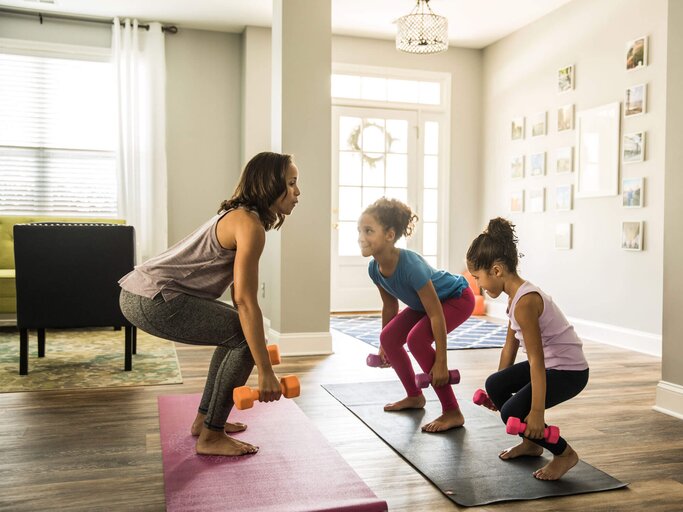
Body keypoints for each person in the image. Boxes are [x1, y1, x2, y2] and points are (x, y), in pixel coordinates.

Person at [118, 152, 300, 457]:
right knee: (242, 335)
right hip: (153, 298)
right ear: (271, 184)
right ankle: (212, 435)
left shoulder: (242, 216)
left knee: (234, 331)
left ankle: (206, 420)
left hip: (140, 293)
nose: (297, 192)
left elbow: (236, 298)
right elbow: (244, 300)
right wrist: (265, 371)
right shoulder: (249, 225)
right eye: (292, 184)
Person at [466, 217, 589, 480]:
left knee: (512, 412)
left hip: (569, 371)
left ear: (497, 271)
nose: (478, 286)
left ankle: (564, 453)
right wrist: (497, 388)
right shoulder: (514, 298)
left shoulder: (525, 302)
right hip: (551, 365)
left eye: (478, 278)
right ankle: (532, 443)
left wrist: (535, 412)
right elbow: (508, 349)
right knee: (495, 384)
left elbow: (536, 360)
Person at [358, 197, 474, 432]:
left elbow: (436, 314)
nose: (361, 237)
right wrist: (385, 348)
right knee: (389, 338)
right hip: (426, 305)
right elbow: (390, 306)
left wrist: (441, 362)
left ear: (389, 235)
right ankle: (414, 396)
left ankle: (452, 411)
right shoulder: (374, 268)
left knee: (417, 339)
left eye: (368, 231)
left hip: (456, 298)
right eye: (359, 230)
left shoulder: (410, 265)